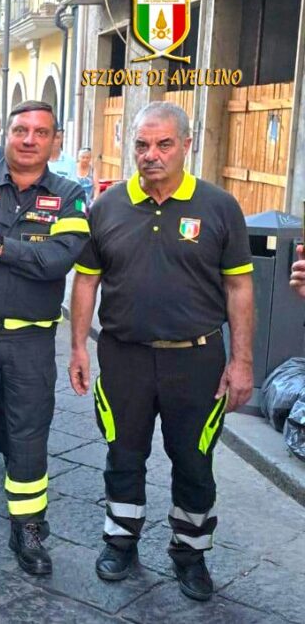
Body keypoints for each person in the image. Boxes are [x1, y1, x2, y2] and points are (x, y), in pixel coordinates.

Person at [69, 101, 254, 602]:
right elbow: (87, 280)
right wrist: (78, 348)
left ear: (187, 145)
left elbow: (239, 288)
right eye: (142, 145)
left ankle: (190, 554)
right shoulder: (106, 206)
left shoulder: (219, 207)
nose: (151, 155)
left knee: (194, 462)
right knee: (122, 456)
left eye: (164, 144)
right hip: (123, 357)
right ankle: (120, 542)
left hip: (196, 362)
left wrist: (241, 362)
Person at [0, 100, 89, 576]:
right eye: (20, 130)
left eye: (41, 132)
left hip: (31, 343)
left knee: (29, 438)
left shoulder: (70, 195)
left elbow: (57, 260)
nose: (29, 139)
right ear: (4, 134)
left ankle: (27, 530)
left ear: (55, 141)